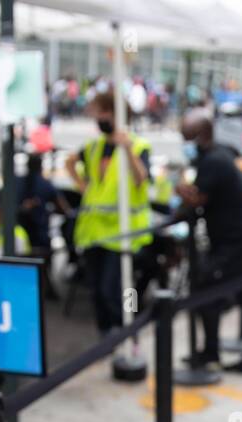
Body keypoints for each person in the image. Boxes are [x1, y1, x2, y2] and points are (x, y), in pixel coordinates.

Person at [176, 108, 242, 374]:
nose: (186, 145)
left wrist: (181, 190)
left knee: (207, 290)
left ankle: (215, 353)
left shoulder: (215, 160)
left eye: (188, 138)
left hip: (240, 243)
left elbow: (198, 199)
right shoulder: (217, 155)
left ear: (202, 135)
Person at [69, 91, 152, 334]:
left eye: (105, 111)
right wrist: (83, 186)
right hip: (94, 230)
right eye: (99, 112)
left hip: (122, 232)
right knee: (95, 288)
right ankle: (106, 336)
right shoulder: (94, 146)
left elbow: (141, 179)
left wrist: (126, 149)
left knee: (113, 289)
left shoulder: (138, 146)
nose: (100, 117)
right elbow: (70, 162)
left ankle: (125, 333)